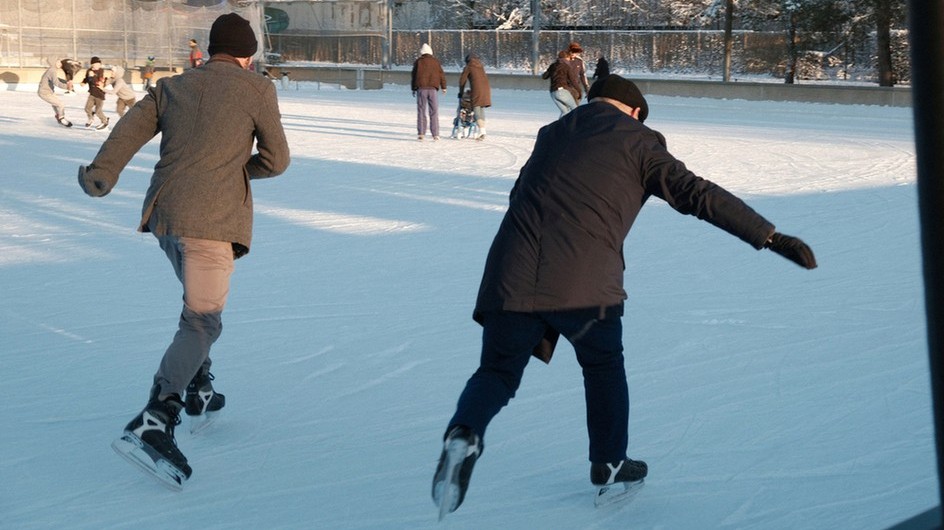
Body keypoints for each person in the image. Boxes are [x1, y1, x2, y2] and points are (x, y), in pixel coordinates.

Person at [431, 74, 816, 516]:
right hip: (585, 283)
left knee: (496, 373)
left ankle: (464, 433)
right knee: (603, 367)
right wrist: (768, 236)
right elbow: (697, 194)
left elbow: (520, 193)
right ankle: (609, 463)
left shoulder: (552, 134)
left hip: (509, 274)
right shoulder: (639, 141)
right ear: (634, 111)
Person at [78, 13, 290, 489]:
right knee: (202, 319)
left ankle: (198, 382)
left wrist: (102, 174)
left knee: (196, 305)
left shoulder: (172, 87)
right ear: (247, 54)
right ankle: (158, 416)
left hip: (165, 217)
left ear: (211, 49)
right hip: (209, 223)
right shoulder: (257, 89)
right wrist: (234, 172)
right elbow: (277, 160)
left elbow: (129, 130)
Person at [411, 43, 447, 141]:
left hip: (421, 89)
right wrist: (444, 87)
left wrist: (413, 88)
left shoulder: (418, 62)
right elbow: (441, 75)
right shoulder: (436, 62)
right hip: (433, 89)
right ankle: (435, 134)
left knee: (421, 111)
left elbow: (414, 75)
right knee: (434, 111)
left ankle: (421, 133)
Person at [458, 53, 491, 141]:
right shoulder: (480, 66)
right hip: (486, 89)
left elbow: (462, 81)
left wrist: (461, 93)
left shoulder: (468, 67)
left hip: (477, 90)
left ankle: (482, 131)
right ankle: (482, 130)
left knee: (476, 109)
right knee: (481, 109)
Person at [541, 51, 580, 117]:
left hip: (553, 92)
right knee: (575, 108)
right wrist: (579, 91)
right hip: (561, 91)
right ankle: (577, 126)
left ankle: (559, 127)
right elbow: (573, 81)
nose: (569, 59)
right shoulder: (567, 66)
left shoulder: (553, 65)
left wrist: (550, 70)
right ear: (566, 57)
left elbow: (544, 77)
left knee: (565, 112)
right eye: (569, 58)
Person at [37, 57, 73, 127]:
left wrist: (66, 82)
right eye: (58, 62)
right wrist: (67, 87)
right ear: (54, 62)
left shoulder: (52, 70)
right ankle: (61, 118)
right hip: (45, 93)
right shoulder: (52, 71)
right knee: (60, 104)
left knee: (57, 105)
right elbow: (56, 82)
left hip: (49, 92)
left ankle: (59, 118)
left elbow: (57, 79)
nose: (60, 63)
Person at [81, 57, 109, 129]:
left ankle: (105, 121)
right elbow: (87, 78)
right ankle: (91, 118)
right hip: (92, 93)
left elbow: (98, 82)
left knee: (98, 111)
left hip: (99, 94)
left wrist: (92, 76)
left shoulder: (101, 71)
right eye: (96, 64)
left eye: (99, 64)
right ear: (92, 64)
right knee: (87, 108)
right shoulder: (89, 71)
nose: (98, 66)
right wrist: (84, 82)